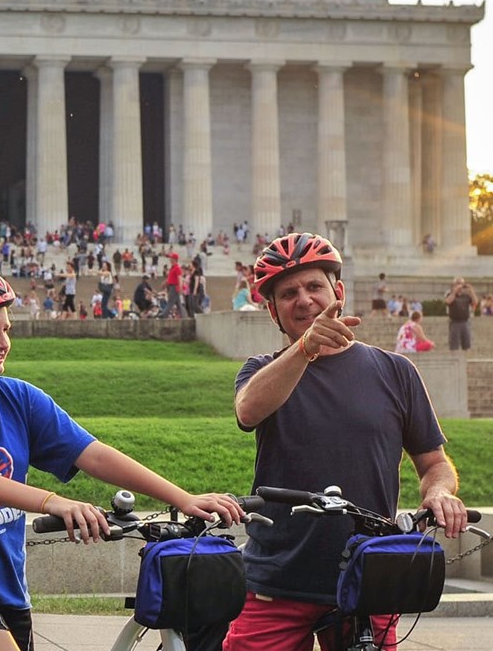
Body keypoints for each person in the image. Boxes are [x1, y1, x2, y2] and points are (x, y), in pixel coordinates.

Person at [0, 265, 243, 651]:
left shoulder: (18, 398)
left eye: (6, 330)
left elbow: (94, 454)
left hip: (6, 591)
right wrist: (53, 502)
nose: (4, 342)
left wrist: (183, 498)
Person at [224, 233, 468, 651]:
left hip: (368, 574)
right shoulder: (261, 370)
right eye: (288, 294)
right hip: (277, 577)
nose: (304, 300)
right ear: (273, 311)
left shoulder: (395, 371)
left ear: (338, 292)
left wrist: (440, 493)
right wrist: (305, 348)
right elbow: (248, 411)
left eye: (314, 287)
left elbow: (434, 463)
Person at [445, 276, 478, 351]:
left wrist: (471, 291)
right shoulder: (450, 293)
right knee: (454, 345)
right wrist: (454, 291)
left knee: (466, 344)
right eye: (458, 283)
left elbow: (475, 302)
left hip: (465, 322)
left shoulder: (466, 295)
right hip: (454, 322)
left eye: (462, 283)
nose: (460, 285)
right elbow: (448, 301)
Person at [160, 252, 185, 318]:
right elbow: (170, 278)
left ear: (174, 259)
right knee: (178, 304)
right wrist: (165, 283)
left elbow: (180, 278)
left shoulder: (177, 268)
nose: (170, 259)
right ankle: (183, 316)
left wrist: (180, 288)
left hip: (174, 287)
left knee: (170, 301)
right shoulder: (172, 268)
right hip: (171, 286)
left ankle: (164, 314)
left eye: (171, 258)